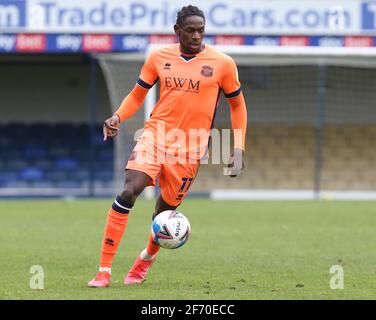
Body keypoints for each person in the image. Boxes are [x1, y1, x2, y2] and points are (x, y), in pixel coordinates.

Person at [88, 5, 247, 288]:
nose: (196, 36)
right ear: (177, 32)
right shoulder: (159, 57)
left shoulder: (223, 63)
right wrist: (117, 117)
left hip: (190, 148)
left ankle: (144, 261)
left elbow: (238, 106)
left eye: (201, 30)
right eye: (190, 30)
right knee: (129, 189)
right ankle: (103, 271)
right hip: (155, 135)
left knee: (163, 214)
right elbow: (138, 96)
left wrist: (238, 149)